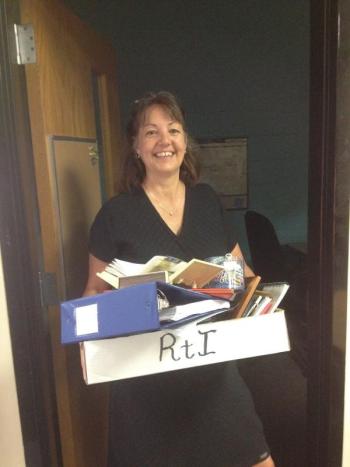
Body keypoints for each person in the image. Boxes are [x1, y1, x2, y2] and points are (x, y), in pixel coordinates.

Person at [83, 91, 275, 467]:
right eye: (151, 132)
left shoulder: (207, 202)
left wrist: (261, 304)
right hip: (144, 385)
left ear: (185, 142)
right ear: (136, 146)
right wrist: (87, 342)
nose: (164, 141)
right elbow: (93, 293)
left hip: (214, 374)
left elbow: (243, 275)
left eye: (173, 130)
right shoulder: (115, 214)